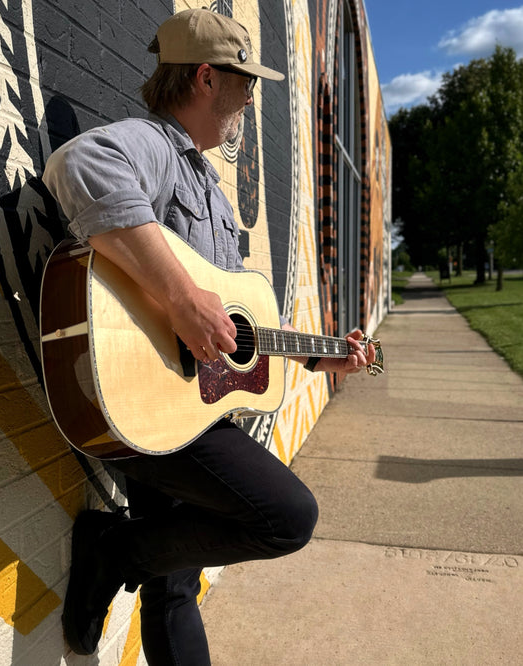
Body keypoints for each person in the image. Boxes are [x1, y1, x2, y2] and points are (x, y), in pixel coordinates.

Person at [43, 8, 376, 665]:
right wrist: (179, 295)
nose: (250, 100)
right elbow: (80, 165)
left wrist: (321, 353)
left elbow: (229, 318)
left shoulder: (208, 185)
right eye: (244, 84)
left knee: (173, 593)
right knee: (286, 517)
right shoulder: (153, 145)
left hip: (182, 403)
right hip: (152, 402)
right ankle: (117, 549)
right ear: (204, 78)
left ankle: (124, 552)